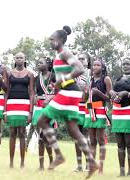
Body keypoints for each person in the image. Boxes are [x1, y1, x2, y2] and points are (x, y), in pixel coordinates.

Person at [37, 26, 98, 179]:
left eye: (52, 39)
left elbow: (80, 68)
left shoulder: (65, 52)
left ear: (60, 40)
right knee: (73, 130)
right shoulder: (58, 55)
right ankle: (91, 162)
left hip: (69, 92)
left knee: (42, 120)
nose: (50, 42)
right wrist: (56, 86)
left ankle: (58, 155)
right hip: (70, 92)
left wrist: (62, 81)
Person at [109, 58, 130, 176]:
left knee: (129, 143)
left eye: (128, 64)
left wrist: (126, 94)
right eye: (123, 64)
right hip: (117, 111)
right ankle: (122, 171)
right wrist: (112, 93)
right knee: (120, 144)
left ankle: (129, 171)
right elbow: (112, 91)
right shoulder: (118, 79)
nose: (125, 66)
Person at [4, 52, 35, 169]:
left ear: (25, 59)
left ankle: (22, 162)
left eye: (21, 57)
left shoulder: (30, 74)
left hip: (24, 105)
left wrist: (30, 112)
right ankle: (11, 162)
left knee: (22, 134)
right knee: (12, 133)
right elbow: (6, 92)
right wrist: (4, 110)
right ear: (15, 60)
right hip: (11, 105)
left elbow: (32, 93)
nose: (19, 59)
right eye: (17, 58)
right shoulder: (9, 73)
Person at [83, 59, 112, 174]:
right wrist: (85, 92)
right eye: (94, 65)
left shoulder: (106, 79)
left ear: (103, 67)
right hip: (90, 110)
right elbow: (85, 98)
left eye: (98, 65)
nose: (95, 67)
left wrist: (99, 93)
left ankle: (101, 167)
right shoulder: (89, 80)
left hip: (100, 109)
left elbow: (109, 99)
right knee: (92, 140)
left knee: (100, 139)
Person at [30, 57, 55, 170]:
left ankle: (51, 161)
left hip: (49, 107)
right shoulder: (36, 78)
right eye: (38, 62)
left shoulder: (54, 76)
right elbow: (33, 92)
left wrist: (50, 97)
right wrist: (35, 97)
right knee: (40, 136)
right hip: (39, 107)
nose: (38, 64)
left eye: (41, 62)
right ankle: (41, 165)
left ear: (48, 64)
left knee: (46, 136)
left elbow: (60, 93)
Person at [74, 52, 91, 172]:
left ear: (87, 61)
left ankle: (88, 164)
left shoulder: (91, 73)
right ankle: (79, 165)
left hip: (87, 107)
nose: (80, 60)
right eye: (78, 59)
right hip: (75, 106)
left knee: (87, 136)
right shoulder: (73, 74)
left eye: (83, 59)